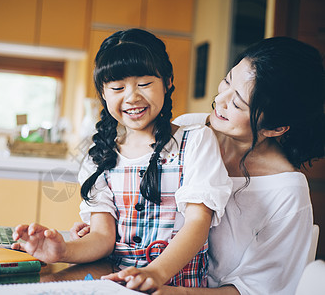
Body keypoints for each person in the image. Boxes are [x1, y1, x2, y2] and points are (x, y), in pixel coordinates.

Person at [71, 36, 325, 294]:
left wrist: (171, 290)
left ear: (276, 127)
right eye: (227, 81)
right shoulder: (187, 132)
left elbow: (261, 290)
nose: (220, 99)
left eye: (237, 102)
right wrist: (106, 228)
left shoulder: (287, 191)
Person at [12, 28, 232, 291]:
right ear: (104, 94)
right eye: (117, 87)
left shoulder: (196, 141)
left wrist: (154, 273)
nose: (132, 97)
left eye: (144, 84)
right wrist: (61, 252)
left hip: (176, 288)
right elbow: (103, 238)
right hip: (113, 286)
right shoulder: (99, 158)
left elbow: (198, 223)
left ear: (168, 82)